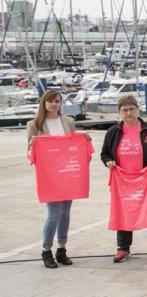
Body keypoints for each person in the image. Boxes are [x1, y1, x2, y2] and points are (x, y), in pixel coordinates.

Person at [27, 90, 90, 269]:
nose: (53, 104)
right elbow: (30, 154)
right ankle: (46, 250)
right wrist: (32, 146)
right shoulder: (34, 124)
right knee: (53, 214)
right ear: (44, 103)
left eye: (56, 101)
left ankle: (61, 249)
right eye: (50, 101)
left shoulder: (68, 122)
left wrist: (84, 138)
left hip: (67, 172)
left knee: (65, 212)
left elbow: (72, 143)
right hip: (49, 175)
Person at [101, 95, 147, 263]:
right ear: (119, 112)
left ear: (138, 110)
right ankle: (123, 248)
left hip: (145, 179)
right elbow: (104, 153)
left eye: (132, 109)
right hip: (123, 180)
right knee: (124, 212)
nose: (129, 113)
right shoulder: (113, 132)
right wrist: (108, 162)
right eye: (125, 110)